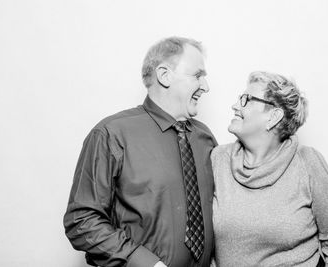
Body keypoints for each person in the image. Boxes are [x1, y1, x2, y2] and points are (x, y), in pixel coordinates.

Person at [63, 37, 217, 267]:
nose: (206, 86)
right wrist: (146, 264)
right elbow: (82, 221)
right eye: (197, 75)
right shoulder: (111, 134)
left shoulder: (204, 138)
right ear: (165, 75)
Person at [211, 71, 328, 266]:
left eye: (246, 100)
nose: (235, 106)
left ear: (273, 116)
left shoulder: (308, 163)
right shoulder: (217, 159)